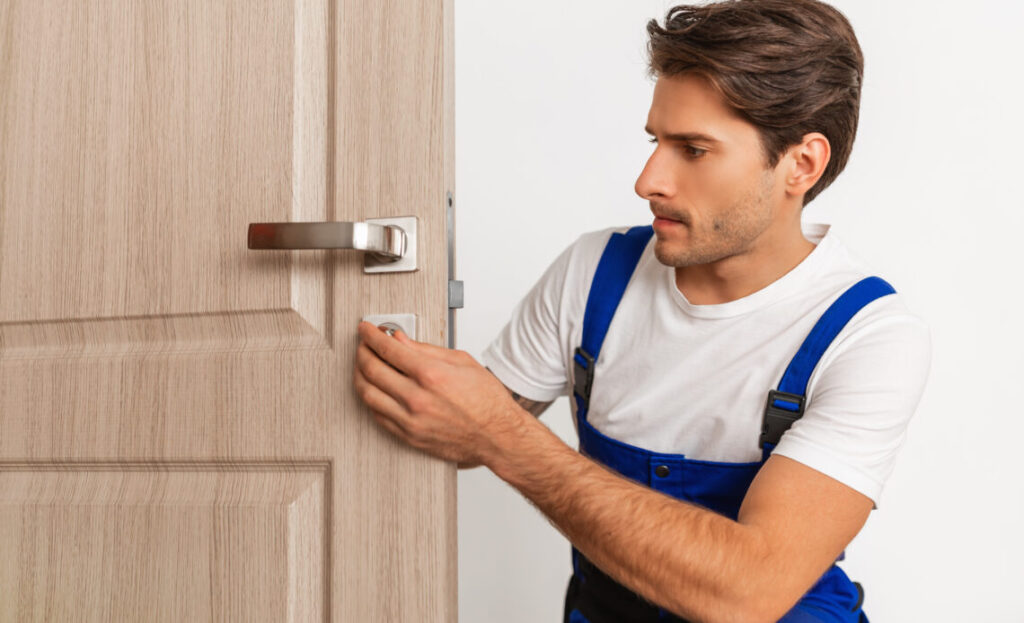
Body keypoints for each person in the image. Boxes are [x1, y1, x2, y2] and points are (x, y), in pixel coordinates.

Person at [353, 1, 931, 620]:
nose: (648, 180)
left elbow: (747, 593)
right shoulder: (594, 273)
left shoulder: (867, 336)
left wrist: (503, 436)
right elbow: (461, 433)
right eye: (656, 141)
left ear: (801, 164)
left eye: (694, 149)